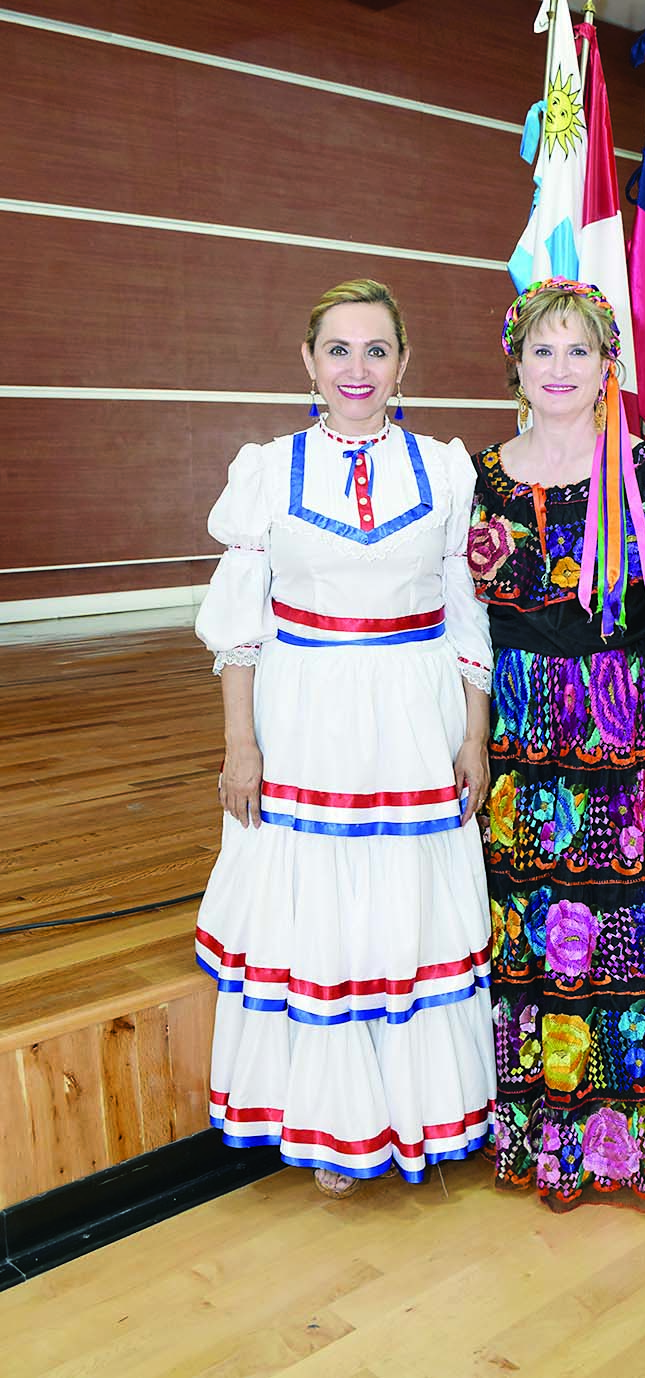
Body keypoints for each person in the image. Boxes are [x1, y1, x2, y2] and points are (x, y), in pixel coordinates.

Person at [194, 278, 496, 1199]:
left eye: (375, 350)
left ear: (404, 363)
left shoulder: (446, 471)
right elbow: (240, 626)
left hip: (413, 713)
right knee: (317, 913)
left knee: (403, 910)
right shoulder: (266, 470)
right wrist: (239, 746)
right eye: (338, 349)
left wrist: (474, 737)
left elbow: (465, 615)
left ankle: (414, 1114)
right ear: (307, 363)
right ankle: (330, 1127)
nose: (355, 369)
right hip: (305, 713)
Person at [467, 277, 645, 1213]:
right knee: (537, 933)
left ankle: (626, 1133)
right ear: (516, 362)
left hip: (623, 724)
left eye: (577, 351)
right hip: (520, 733)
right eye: (542, 350)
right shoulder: (478, 479)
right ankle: (543, 1128)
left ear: (605, 367)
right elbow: (455, 627)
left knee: (622, 932)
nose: (559, 368)